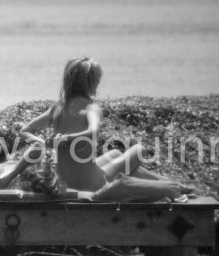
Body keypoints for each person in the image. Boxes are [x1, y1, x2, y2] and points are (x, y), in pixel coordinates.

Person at [16, 56, 191, 197]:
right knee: (138, 150)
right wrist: (65, 139)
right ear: (92, 84)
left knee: (115, 154)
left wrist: (45, 142)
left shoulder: (57, 109)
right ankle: (171, 185)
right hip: (93, 184)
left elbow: (24, 131)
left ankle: (165, 182)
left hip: (64, 182)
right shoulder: (91, 108)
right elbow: (92, 132)